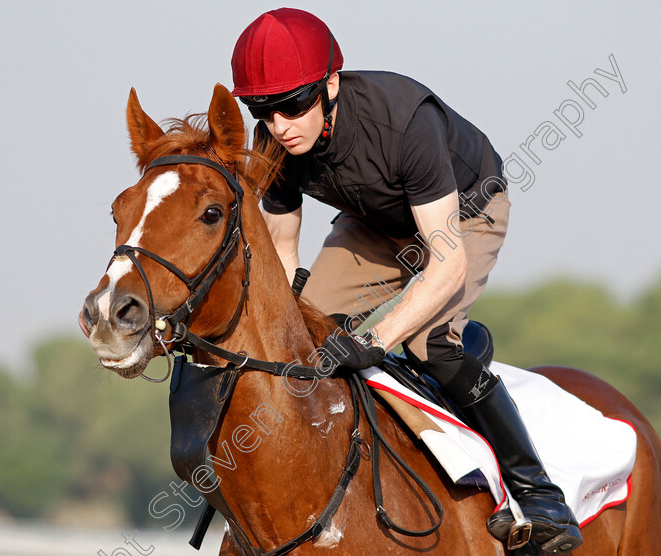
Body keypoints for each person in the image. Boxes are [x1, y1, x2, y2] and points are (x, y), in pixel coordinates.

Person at [230, 7, 582, 553]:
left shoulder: (403, 119)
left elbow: (446, 264)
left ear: (330, 84)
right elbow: (280, 249)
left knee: (427, 344)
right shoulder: (274, 139)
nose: (279, 125)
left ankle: (540, 496)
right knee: (311, 335)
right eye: (263, 109)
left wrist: (372, 343)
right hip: (374, 224)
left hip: (464, 215)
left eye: (293, 105)